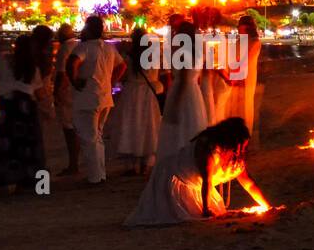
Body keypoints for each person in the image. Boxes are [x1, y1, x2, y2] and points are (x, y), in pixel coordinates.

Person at [125, 117, 269, 226]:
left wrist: (266, 205)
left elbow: (248, 184)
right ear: (229, 139)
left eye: (243, 146)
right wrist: (206, 209)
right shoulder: (209, 148)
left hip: (196, 187)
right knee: (174, 216)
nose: (240, 150)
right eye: (238, 145)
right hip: (173, 175)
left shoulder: (235, 157)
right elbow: (207, 180)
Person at [67, 14, 126, 185]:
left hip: (87, 98)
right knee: (97, 136)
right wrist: (111, 81)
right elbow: (122, 66)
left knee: (88, 137)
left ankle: (95, 177)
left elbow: (72, 62)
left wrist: (74, 80)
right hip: (105, 98)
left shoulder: (83, 47)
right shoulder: (108, 48)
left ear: (89, 29)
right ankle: (100, 174)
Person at [0, 35, 45, 191]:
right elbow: (40, 94)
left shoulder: (4, 61)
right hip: (26, 109)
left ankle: (3, 181)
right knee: (26, 145)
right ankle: (27, 182)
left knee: (5, 145)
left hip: (8, 107)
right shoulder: (33, 68)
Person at [157, 21, 209, 159]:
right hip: (194, 91)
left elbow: (184, 78)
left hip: (182, 90)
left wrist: (175, 102)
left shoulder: (183, 52)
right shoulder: (197, 51)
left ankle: (177, 159)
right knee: (192, 124)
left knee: (179, 128)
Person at [115, 26, 162, 175]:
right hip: (149, 92)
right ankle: (148, 163)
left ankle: (132, 165)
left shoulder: (129, 56)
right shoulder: (154, 55)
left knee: (131, 125)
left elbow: (122, 76)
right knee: (149, 126)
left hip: (132, 92)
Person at [223, 14, 262, 137]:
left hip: (246, 76)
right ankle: (234, 133)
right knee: (234, 104)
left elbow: (247, 60)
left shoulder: (255, 42)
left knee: (244, 104)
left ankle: (245, 133)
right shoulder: (239, 41)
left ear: (247, 27)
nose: (238, 29)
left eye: (240, 26)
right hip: (234, 75)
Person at [52, 23, 81, 177]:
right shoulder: (79, 45)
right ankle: (76, 163)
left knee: (69, 129)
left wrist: (55, 93)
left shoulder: (65, 49)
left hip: (67, 92)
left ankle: (73, 164)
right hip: (78, 92)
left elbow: (62, 74)